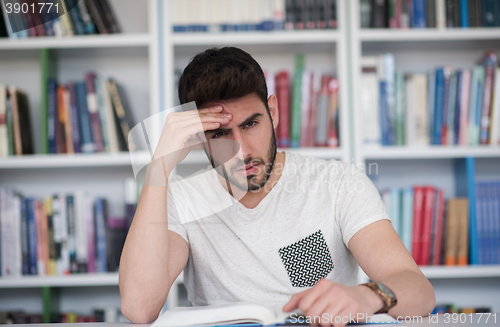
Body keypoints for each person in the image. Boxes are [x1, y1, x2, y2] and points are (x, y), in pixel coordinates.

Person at [119, 47, 435, 326]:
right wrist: (157, 168)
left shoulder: (339, 183)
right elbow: (139, 308)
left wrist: (369, 297)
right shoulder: (180, 199)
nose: (241, 151)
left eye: (251, 124)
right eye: (220, 134)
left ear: (273, 111)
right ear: (199, 136)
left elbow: (418, 291)